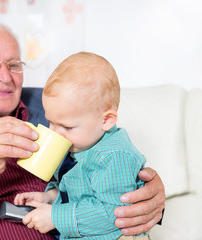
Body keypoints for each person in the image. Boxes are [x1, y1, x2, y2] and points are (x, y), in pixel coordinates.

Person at [0, 21, 165, 240]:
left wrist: (149, 196)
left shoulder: (60, 104)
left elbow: (109, 173)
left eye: (14, 65)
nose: (5, 76)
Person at [14, 52, 153, 239]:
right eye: (51, 122)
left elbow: (113, 213)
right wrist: (50, 198)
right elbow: (81, 195)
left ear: (106, 120)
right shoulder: (78, 145)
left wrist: (55, 217)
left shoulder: (115, 156)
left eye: (67, 126)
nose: (55, 132)